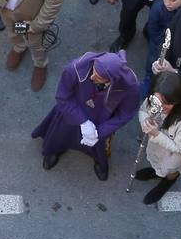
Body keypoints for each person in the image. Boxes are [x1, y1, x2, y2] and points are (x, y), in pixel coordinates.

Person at [31, 49, 140, 180]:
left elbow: (125, 114)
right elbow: (62, 97)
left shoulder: (131, 87)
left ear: (112, 80)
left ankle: (99, 161)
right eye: (94, 71)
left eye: (98, 77)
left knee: (98, 145)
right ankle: (55, 149)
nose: (92, 77)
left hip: (101, 119)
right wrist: (82, 121)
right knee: (60, 134)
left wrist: (99, 132)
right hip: (72, 110)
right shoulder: (75, 68)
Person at [134, 73, 181, 205]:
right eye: (157, 102)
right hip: (159, 141)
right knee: (157, 159)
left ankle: (166, 183)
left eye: (166, 103)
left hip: (179, 151)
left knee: (171, 168)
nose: (160, 107)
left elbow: (179, 148)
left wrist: (155, 134)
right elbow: (143, 110)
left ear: (177, 99)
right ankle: (155, 172)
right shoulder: (153, 99)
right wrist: (145, 122)